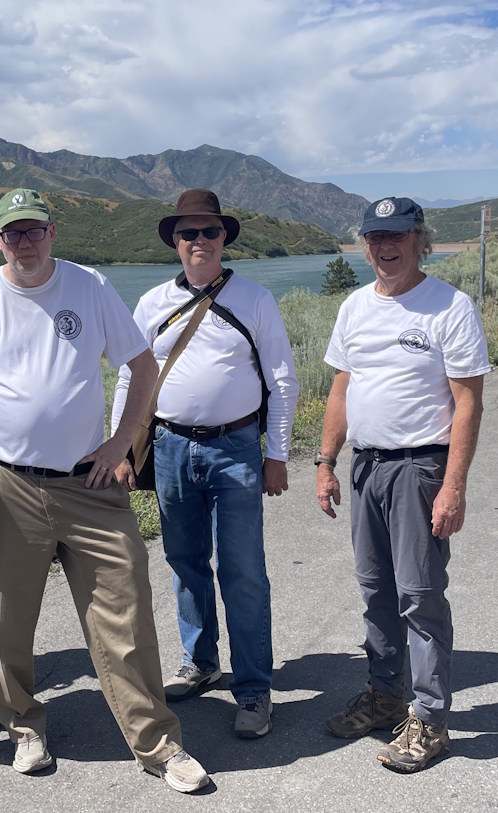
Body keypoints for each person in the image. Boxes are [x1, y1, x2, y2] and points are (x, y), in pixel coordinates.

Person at [0, 188, 209, 793]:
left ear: (52, 232)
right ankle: (23, 728)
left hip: (89, 485)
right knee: (7, 618)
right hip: (7, 483)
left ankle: (157, 742)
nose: (25, 242)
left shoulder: (88, 286)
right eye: (13, 234)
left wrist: (121, 443)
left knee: (126, 608)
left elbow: (141, 367)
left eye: (34, 230)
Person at [111, 188, 298, 739]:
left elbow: (281, 380)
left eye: (208, 232)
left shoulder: (255, 299)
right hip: (169, 448)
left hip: (236, 448)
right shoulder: (149, 304)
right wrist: (122, 447)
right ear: (174, 240)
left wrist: (278, 454)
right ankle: (200, 662)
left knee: (242, 570)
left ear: (224, 239)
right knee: (185, 561)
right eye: (188, 232)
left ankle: (254, 688)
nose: (198, 241)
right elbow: (129, 377)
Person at [316, 197, 491, 773]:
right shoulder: (355, 307)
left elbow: (468, 402)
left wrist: (454, 486)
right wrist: (325, 460)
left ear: (419, 238)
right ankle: (387, 695)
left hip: (421, 468)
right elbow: (342, 389)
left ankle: (431, 718)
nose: (385, 248)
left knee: (418, 594)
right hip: (366, 467)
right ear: (363, 243)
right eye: (374, 238)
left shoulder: (449, 306)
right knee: (375, 589)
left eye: (397, 236)